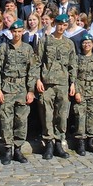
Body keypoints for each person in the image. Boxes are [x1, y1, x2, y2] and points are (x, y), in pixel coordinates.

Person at [0, 19, 38, 165]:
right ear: (11, 32)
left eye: (19, 32)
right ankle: (7, 149)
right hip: (7, 88)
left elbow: (33, 70)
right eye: (15, 32)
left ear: (23, 32)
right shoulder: (4, 47)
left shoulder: (28, 49)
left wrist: (31, 90)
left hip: (22, 88)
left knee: (21, 120)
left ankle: (18, 149)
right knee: (6, 120)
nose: (17, 34)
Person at [36, 13, 76, 159]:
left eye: (65, 25)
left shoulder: (69, 43)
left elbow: (73, 65)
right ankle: (49, 143)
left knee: (62, 115)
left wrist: (73, 83)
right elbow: (37, 62)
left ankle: (59, 141)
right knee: (47, 114)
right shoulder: (45, 41)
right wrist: (37, 80)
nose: (62, 27)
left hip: (63, 83)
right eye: (60, 24)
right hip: (47, 83)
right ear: (55, 24)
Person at [73, 33, 93, 156]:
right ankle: (80, 143)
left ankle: (90, 142)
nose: (87, 45)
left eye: (89, 43)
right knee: (80, 117)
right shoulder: (77, 58)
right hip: (81, 90)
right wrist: (76, 91)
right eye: (84, 43)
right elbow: (74, 77)